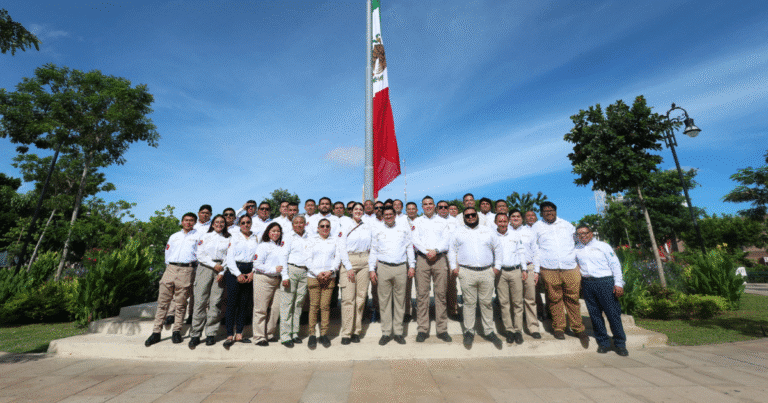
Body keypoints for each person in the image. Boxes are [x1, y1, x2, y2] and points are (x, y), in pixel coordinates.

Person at [532, 201, 589, 347]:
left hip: (570, 267)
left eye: (551, 210)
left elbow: (577, 243)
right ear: (541, 213)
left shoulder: (567, 225)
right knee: (554, 298)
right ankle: (558, 328)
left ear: (556, 211)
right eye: (545, 211)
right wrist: (537, 270)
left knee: (573, 298)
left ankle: (578, 328)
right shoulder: (537, 227)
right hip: (549, 268)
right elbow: (535, 249)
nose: (549, 212)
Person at [449, 207, 503, 349]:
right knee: (468, 303)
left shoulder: (488, 231)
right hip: (466, 272)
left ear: (477, 216)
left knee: (486, 303)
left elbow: (497, 248)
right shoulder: (458, 232)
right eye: (467, 216)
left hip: (487, 271)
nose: (471, 217)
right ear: (464, 218)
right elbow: (452, 250)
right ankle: (468, 331)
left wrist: (497, 266)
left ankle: (489, 331)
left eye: (473, 215)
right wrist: (454, 267)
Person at [146, 212, 200, 347]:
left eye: (191, 220)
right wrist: (169, 266)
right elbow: (167, 252)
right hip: (171, 268)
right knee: (163, 302)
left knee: (181, 304)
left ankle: (176, 331)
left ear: (194, 222)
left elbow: (200, 254)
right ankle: (156, 332)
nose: (188, 222)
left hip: (187, 270)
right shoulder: (174, 236)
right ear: (182, 222)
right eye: (186, 220)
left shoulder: (198, 236)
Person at [575, 225, 628, 356]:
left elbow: (615, 264)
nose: (583, 236)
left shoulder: (603, 246)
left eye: (585, 233)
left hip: (605, 282)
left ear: (591, 233)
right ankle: (603, 343)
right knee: (595, 315)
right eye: (579, 234)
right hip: (588, 284)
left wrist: (618, 284)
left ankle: (620, 344)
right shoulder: (577, 249)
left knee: (613, 315)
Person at [369, 206, 415, 346]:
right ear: (382, 216)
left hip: (401, 267)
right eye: (386, 215)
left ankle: (399, 332)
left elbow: (409, 247)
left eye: (391, 214)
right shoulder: (378, 230)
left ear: (395, 215)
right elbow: (373, 250)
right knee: (384, 302)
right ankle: (386, 333)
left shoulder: (403, 228)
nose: (388, 216)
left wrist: (411, 265)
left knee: (400, 301)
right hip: (383, 267)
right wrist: (372, 269)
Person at [412, 196, 452, 343]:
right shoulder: (417, 222)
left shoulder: (443, 221)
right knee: (422, 295)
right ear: (421, 206)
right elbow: (415, 240)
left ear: (434, 205)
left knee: (441, 294)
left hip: (439, 258)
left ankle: (442, 330)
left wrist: (435, 250)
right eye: (425, 204)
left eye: (430, 204)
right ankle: (423, 329)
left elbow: (446, 240)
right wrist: (426, 252)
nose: (428, 206)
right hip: (423, 258)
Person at [306, 218, 350, 348]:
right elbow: (307, 259)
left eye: (327, 226)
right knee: (314, 306)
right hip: (314, 276)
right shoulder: (311, 240)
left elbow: (338, 257)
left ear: (330, 228)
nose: (325, 228)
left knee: (325, 307)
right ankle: (312, 334)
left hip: (329, 276)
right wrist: (317, 273)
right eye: (322, 226)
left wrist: (330, 271)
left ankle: (324, 334)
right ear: (318, 228)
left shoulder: (335, 240)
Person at [188, 214, 229, 349]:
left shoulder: (229, 238)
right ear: (212, 224)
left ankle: (211, 333)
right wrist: (213, 265)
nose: (219, 224)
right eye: (216, 222)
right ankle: (195, 334)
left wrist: (222, 271)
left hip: (221, 270)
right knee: (200, 301)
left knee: (215, 302)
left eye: (222, 222)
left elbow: (230, 256)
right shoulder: (205, 237)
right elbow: (200, 254)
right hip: (205, 268)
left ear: (225, 224)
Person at [221, 215, 258, 348]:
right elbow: (229, 258)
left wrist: (252, 272)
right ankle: (229, 334)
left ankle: (239, 334)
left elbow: (257, 257)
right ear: (239, 224)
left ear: (251, 223)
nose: (246, 225)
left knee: (244, 303)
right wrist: (238, 274)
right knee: (232, 303)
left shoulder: (256, 238)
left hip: (250, 270)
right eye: (243, 223)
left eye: (248, 222)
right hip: (235, 270)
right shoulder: (234, 237)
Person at [339, 202, 373, 345]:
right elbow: (341, 246)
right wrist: (348, 266)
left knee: (360, 298)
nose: (358, 211)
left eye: (361, 209)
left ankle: (356, 331)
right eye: (356, 209)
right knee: (348, 299)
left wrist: (370, 265)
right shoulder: (345, 225)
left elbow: (372, 246)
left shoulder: (367, 226)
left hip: (364, 259)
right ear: (351, 211)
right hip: (349, 260)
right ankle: (346, 332)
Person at [493, 212, 527, 345]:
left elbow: (521, 252)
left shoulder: (515, 235)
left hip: (515, 271)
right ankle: (509, 331)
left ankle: (518, 331)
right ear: (496, 222)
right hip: (500, 273)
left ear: (508, 222)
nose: (502, 223)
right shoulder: (492, 236)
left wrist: (524, 269)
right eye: (499, 221)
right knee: (504, 302)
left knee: (518, 302)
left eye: (504, 221)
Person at [508, 209, 542, 339]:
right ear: (509, 218)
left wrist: (536, 271)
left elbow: (536, 252)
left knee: (530, 299)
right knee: (514, 300)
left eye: (518, 216)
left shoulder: (529, 232)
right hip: (513, 268)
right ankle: (516, 329)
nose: (515, 218)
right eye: (513, 216)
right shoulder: (505, 232)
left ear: (522, 219)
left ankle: (533, 327)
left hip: (529, 267)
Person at [280, 215, 311, 347]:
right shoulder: (288, 237)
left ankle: (294, 333)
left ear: (305, 224)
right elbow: (283, 255)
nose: (299, 225)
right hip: (291, 270)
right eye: (296, 223)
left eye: (301, 223)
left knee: (298, 303)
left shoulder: (309, 237)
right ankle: (285, 335)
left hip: (305, 272)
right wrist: (284, 276)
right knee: (287, 303)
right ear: (293, 225)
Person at [252, 222, 284, 346]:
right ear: (268, 232)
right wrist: (273, 269)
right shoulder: (263, 246)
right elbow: (257, 264)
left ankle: (269, 333)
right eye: (273, 231)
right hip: (263, 278)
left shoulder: (281, 246)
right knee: (261, 309)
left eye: (278, 231)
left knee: (276, 308)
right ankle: (259, 337)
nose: (276, 233)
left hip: (278, 280)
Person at [438, 200, 460, 318]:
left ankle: (453, 310)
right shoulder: (434, 221)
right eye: (440, 207)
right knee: (439, 285)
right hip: (438, 255)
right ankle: (440, 311)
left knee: (452, 283)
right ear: (437, 209)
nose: (443, 209)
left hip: (451, 254)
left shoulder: (455, 221)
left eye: (445, 207)